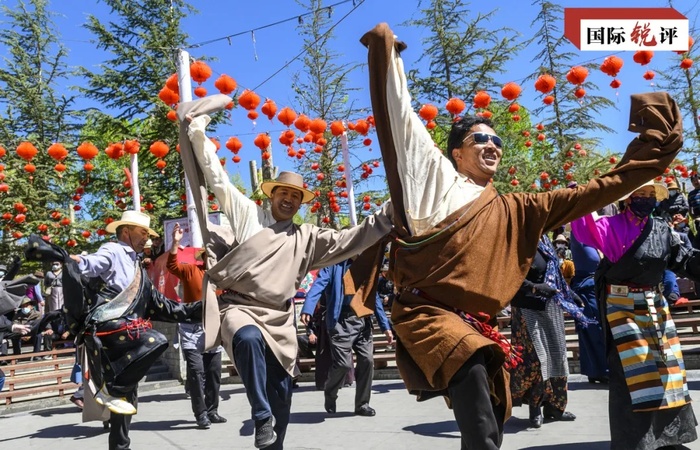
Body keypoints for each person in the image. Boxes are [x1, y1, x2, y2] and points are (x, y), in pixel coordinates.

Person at [355, 23, 684, 449]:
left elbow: (590, 193)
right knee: (473, 373)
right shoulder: (430, 179)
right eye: (480, 139)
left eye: (497, 140)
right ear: (456, 152)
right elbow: (401, 122)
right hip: (427, 314)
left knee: (490, 414)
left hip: (482, 324)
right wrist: (389, 56)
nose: (492, 145)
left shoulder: (516, 208)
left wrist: (651, 155)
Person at [179, 105, 394, 449]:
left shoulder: (306, 238)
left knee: (282, 401)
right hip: (240, 309)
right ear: (272, 195)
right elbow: (216, 178)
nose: (290, 200)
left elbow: (351, 238)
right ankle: (259, 414)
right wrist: (197, 134)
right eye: (284, 193)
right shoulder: (247, 216)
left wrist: (391, 212)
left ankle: (272, 425)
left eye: (296, 197)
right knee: (247, 339)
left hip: (280, 319)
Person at [24, 209, 202, 450]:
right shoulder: (114, 250)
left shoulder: (137, 266)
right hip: (112, 332)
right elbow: (91, 263)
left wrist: (204, 308)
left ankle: (119, 440)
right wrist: (72, 259)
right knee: (156, 340)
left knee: (126, 404)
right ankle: (112, 390)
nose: (146, 239)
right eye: (142, 233)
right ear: (126, 232)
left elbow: (165, 307)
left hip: (127, 337)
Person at [571, 180, 699, 449]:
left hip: (655, 305)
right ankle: (636, 442)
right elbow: (585, 225)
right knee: (635, 373)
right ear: (628, 199)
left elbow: (685, 259)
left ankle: (669, 438)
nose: (646, 198)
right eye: (640, 193)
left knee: (669, 371)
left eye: (651, 194)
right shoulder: (610, 226)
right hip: (622, 308)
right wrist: (581, 196)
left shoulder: (662, 230)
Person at [300, 258, 393, 417]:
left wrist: (385, 327)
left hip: (362, 319)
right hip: (340, 322)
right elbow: (319, 284)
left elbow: (374, 297)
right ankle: (330, 392)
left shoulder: (367, 265)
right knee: (343, 364)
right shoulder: (334, 265)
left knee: (367, 360)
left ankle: (362, 404)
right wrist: (308, 307)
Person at [509, 235, 585, 428]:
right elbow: (509, 276)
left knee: (558, 356)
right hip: (527, 307)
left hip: (551, 305)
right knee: (537, 359)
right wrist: (535, 288)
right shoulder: (516, 243)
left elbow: (555, 275)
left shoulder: (542, 241)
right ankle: (534, 408)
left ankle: (555, 407)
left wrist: (570, 294)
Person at [167, 222, 226, 429]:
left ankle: (212, 410)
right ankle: (200, 414)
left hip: (212, 327)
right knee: (196, 371)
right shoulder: (192, 271)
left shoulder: (223, 278)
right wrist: (176, 243)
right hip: (191, 327)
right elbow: (172, 266)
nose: (212, 258)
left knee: (214, 371)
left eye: (215, 255)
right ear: (203, 257)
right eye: (208, 255)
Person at [569, 233, 609, 384]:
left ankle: (597, 370)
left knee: (595, 328)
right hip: (588, 287)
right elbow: (593, 261)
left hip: (596, 285)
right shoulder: (580, 232)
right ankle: (600, 370)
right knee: (593, 328)